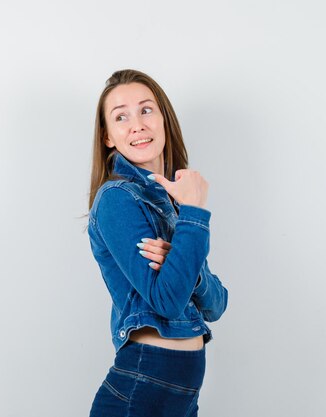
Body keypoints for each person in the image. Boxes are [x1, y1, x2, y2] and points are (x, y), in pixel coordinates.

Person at [86, 69, 229, 417]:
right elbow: (166, 301)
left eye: (146, 110)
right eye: (121, 116)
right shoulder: (116, 199)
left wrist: (182, 263)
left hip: (181, 392)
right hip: (144, 383)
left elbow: (217, 304)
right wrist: (195, 211)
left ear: (164, 119)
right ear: (108, 136)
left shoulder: (172, 201)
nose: (137, 124)